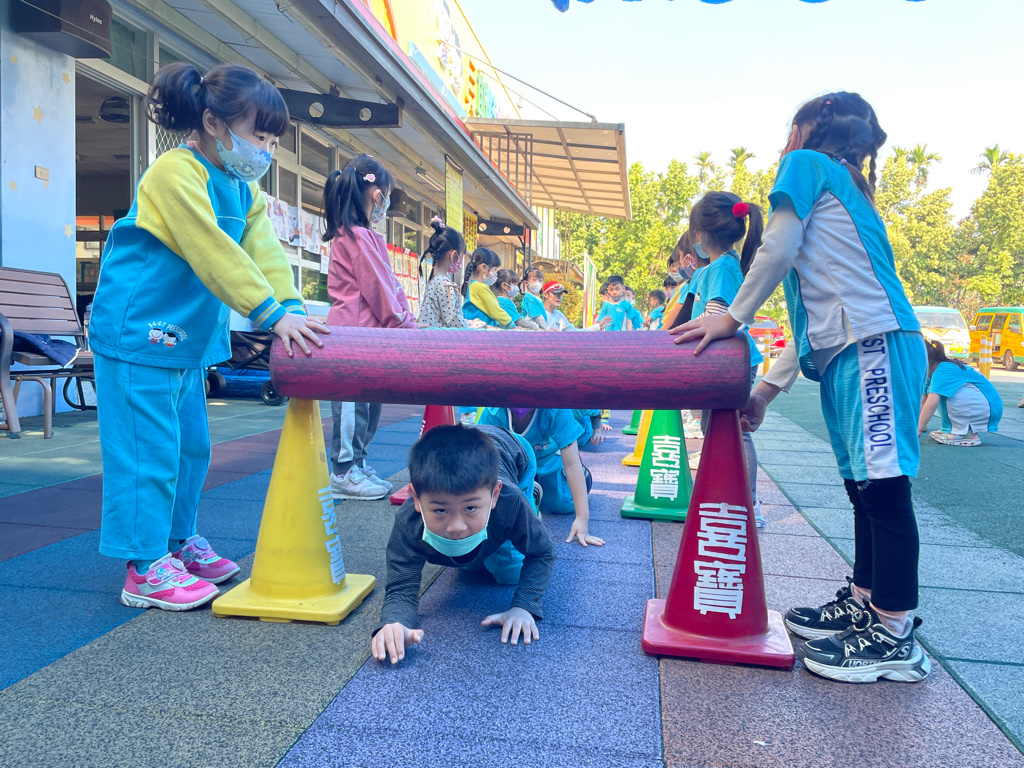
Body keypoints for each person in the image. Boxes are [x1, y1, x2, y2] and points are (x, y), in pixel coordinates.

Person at [673, 92, 931, 684]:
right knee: (863, 485)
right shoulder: (846, 186)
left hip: (873, 342)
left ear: (805, 129)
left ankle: (894, 632)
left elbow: (778, 248)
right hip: (852, 347)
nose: (785, 136)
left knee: (884, 486)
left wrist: (732, 317)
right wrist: (765, 391)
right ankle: (868, 602)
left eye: (791, 125)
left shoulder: (807, 164)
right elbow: (812, 322)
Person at [89, 62, 327, 610]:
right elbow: (212, 251)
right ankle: (144, 565)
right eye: (258, 137)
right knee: (147, 451)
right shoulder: (175, 172)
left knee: (191, 449)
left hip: (184, 342)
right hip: (138, 332)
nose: (266, 151)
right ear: (214, 123)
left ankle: (176, 541)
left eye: (272, 141)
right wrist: (270, 314)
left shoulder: (244, 190)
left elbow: (264, 253)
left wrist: (292, 308)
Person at [371, 425, 555, 663]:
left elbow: (541, 553)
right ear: (416, 498)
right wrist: (395, 622)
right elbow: (401, 588)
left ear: (494, 496)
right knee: (470, 561)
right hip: (474, 456)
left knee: (510, 572)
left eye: (470, 508)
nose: (456, 527)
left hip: (516, 450)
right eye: (440, 510)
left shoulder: (509, 501)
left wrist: (524, 607)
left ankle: (531, 499)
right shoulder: (409, 523)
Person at [323, 153, 416, 500]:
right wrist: (403, 323)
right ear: (377, 195)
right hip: (353, 337)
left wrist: (406, 320)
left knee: (369, 406)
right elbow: (378, 288)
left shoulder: (364, 236)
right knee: (352, 407)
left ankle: (357, 463)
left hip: (369, 336)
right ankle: (343, 470)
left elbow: (389, 284)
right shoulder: (355, 236)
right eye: (387, 196)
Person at [679, 192, 766, 527]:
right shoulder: (712, 268)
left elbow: (717, 313)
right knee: (713, 429)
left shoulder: (725, 267)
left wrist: (681, 340)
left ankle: (749, 503)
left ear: (699, 234)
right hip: (721, 364)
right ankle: (725, 497)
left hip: (732, 364)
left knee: (736, 431)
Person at [478, 407, 604, 547]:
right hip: (517, 466)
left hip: (549, 461)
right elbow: (479, 457)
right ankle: (531, 486)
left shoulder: (555, 409)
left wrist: (582, 519)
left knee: (563, 506)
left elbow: (572, 464)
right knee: (509, 503)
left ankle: (584, 476)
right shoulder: (494, 411)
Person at [919, 339, 1002, 445]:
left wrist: (917, 430)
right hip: (986, 406)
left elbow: (932, 402)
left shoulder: (944, 370)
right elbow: (924, 400)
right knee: (938, 392)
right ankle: (957, 430)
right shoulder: (932, 372)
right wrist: (920, 425)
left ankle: (965, 433)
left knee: (941, 394)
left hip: (986, 407)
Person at [417, 218, 468, 329]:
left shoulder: (434, 279)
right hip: (439, 338)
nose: (460, 261)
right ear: (453, 254)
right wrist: (471, 328)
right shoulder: (444, 284)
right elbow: (453, 320)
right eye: (461, 256)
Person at [462, 247, 514, 328]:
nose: (496, 274)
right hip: (481, 331)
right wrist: (511, 325)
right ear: (483, 267)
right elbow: (495, 310)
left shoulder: (473, 285)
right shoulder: (479, 287)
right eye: (495, 269)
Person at [543, 280, 610, 331]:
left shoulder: (559, 315)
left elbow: (575, 333)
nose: (559, 297)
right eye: (556, 293)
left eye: (561, 294)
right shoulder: (538, 313)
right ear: (545, 294)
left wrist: (598, 326)